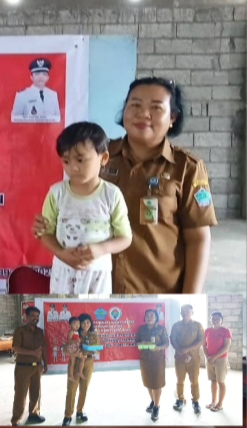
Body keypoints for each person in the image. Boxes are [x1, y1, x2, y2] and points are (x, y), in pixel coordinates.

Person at [33, 77, 217, 293]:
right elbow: (69, 205)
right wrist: (47, 225)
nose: (143, 113)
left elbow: (198, 239)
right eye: (135, 105)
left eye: (156, 107)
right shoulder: (97, 157)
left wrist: (190, 300)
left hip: (156, 295)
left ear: (172, 118)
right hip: (95, 289)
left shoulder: (187, 168)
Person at [39, 122, 133, 294]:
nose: (73, 167)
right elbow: (45, 233)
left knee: (96, 311)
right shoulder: (56, 193)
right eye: (66, 161)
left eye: (80, 160)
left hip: (98, 275)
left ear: (103, 158)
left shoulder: (112, 194)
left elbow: (125, 238)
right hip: (63, 272)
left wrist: (101, 249)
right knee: (62, 310)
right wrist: (61, 253)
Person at [10, 306, 48, 426]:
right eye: (32, 316)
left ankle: (34, 414)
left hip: (37, 367)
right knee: (20, 394)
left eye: (37, 316)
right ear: (26, 317)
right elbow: (16, 348)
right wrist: (33, 353)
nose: (35, 318)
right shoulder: (20, 330)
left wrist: (45, 363)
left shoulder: (40, 332)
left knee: (36, 392)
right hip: (23, 367)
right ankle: (16, 419)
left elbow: (43, 349)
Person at [62, 313, 99, 426]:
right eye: (83, 322)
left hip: (88, 362)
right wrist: (75, 354)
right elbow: (65, 350)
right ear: (78, 324)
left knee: (84, 389)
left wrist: (94, 349)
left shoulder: (93, 335)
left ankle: (80, 411)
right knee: (71, 390)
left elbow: (97, 349)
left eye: (88, 322)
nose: (86, 324)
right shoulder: (74, 333)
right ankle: (67, 416)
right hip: (75, 363)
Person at [169, 304, 205, 414]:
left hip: (193, 358)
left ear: (192, 313)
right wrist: (181, 351)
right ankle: (180, 399)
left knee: (194, 380)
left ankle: (195, 401)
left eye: (187, 311)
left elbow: (201, 340)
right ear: (180, 313)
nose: (185, 313)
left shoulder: (198, 325)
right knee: (180, 380)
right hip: (179, 358)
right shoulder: (176, 326)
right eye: (183, 311)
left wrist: (187, 349)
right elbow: (173, 339)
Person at [136, 308, 170, 422]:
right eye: (147, 316)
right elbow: (136, 342)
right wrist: (140, 343)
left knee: (157, 383)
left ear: (156, 318)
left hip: (157, 360)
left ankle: (156, 407)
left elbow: (166, 343)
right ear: (144, 318)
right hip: (145, 360)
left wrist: (158, 348)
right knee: (148, 383)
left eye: (152, 315)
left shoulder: (161, 329)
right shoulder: (141, 329)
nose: (149, 317)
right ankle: (153, 401)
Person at [11, 58, 61, 123]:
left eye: (44, 74)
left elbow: (57, 118)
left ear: (48, 77)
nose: (41, 77)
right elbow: (15, 119)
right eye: (37, 74)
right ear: (31, 77)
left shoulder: (53, 95)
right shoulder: (22, 95)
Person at [203, 311, 232, 412]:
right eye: (213, 319)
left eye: (218, 319)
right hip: (209, 359)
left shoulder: (226, 331)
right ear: (210, 320)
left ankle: (220, 404)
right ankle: (213, 401)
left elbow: (226, 347)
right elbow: (204, 346)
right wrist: (208, 357)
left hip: (221, 360)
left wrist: (214, 357)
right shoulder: (207, 331)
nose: (215, 321)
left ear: (222, 321)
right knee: (213, 381)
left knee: (221, 381)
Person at [64, 317, 86, 383]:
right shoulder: (71, 332)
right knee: (76, 361)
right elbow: (69, 341)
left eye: (78, 324)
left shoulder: (76, 332)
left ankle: (77, 373)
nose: (77, 326)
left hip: (76, 347)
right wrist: (76, 341)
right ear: (70, 325)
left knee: (76, 361)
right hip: (72, 349)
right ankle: (75, 373)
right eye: (74, 324)